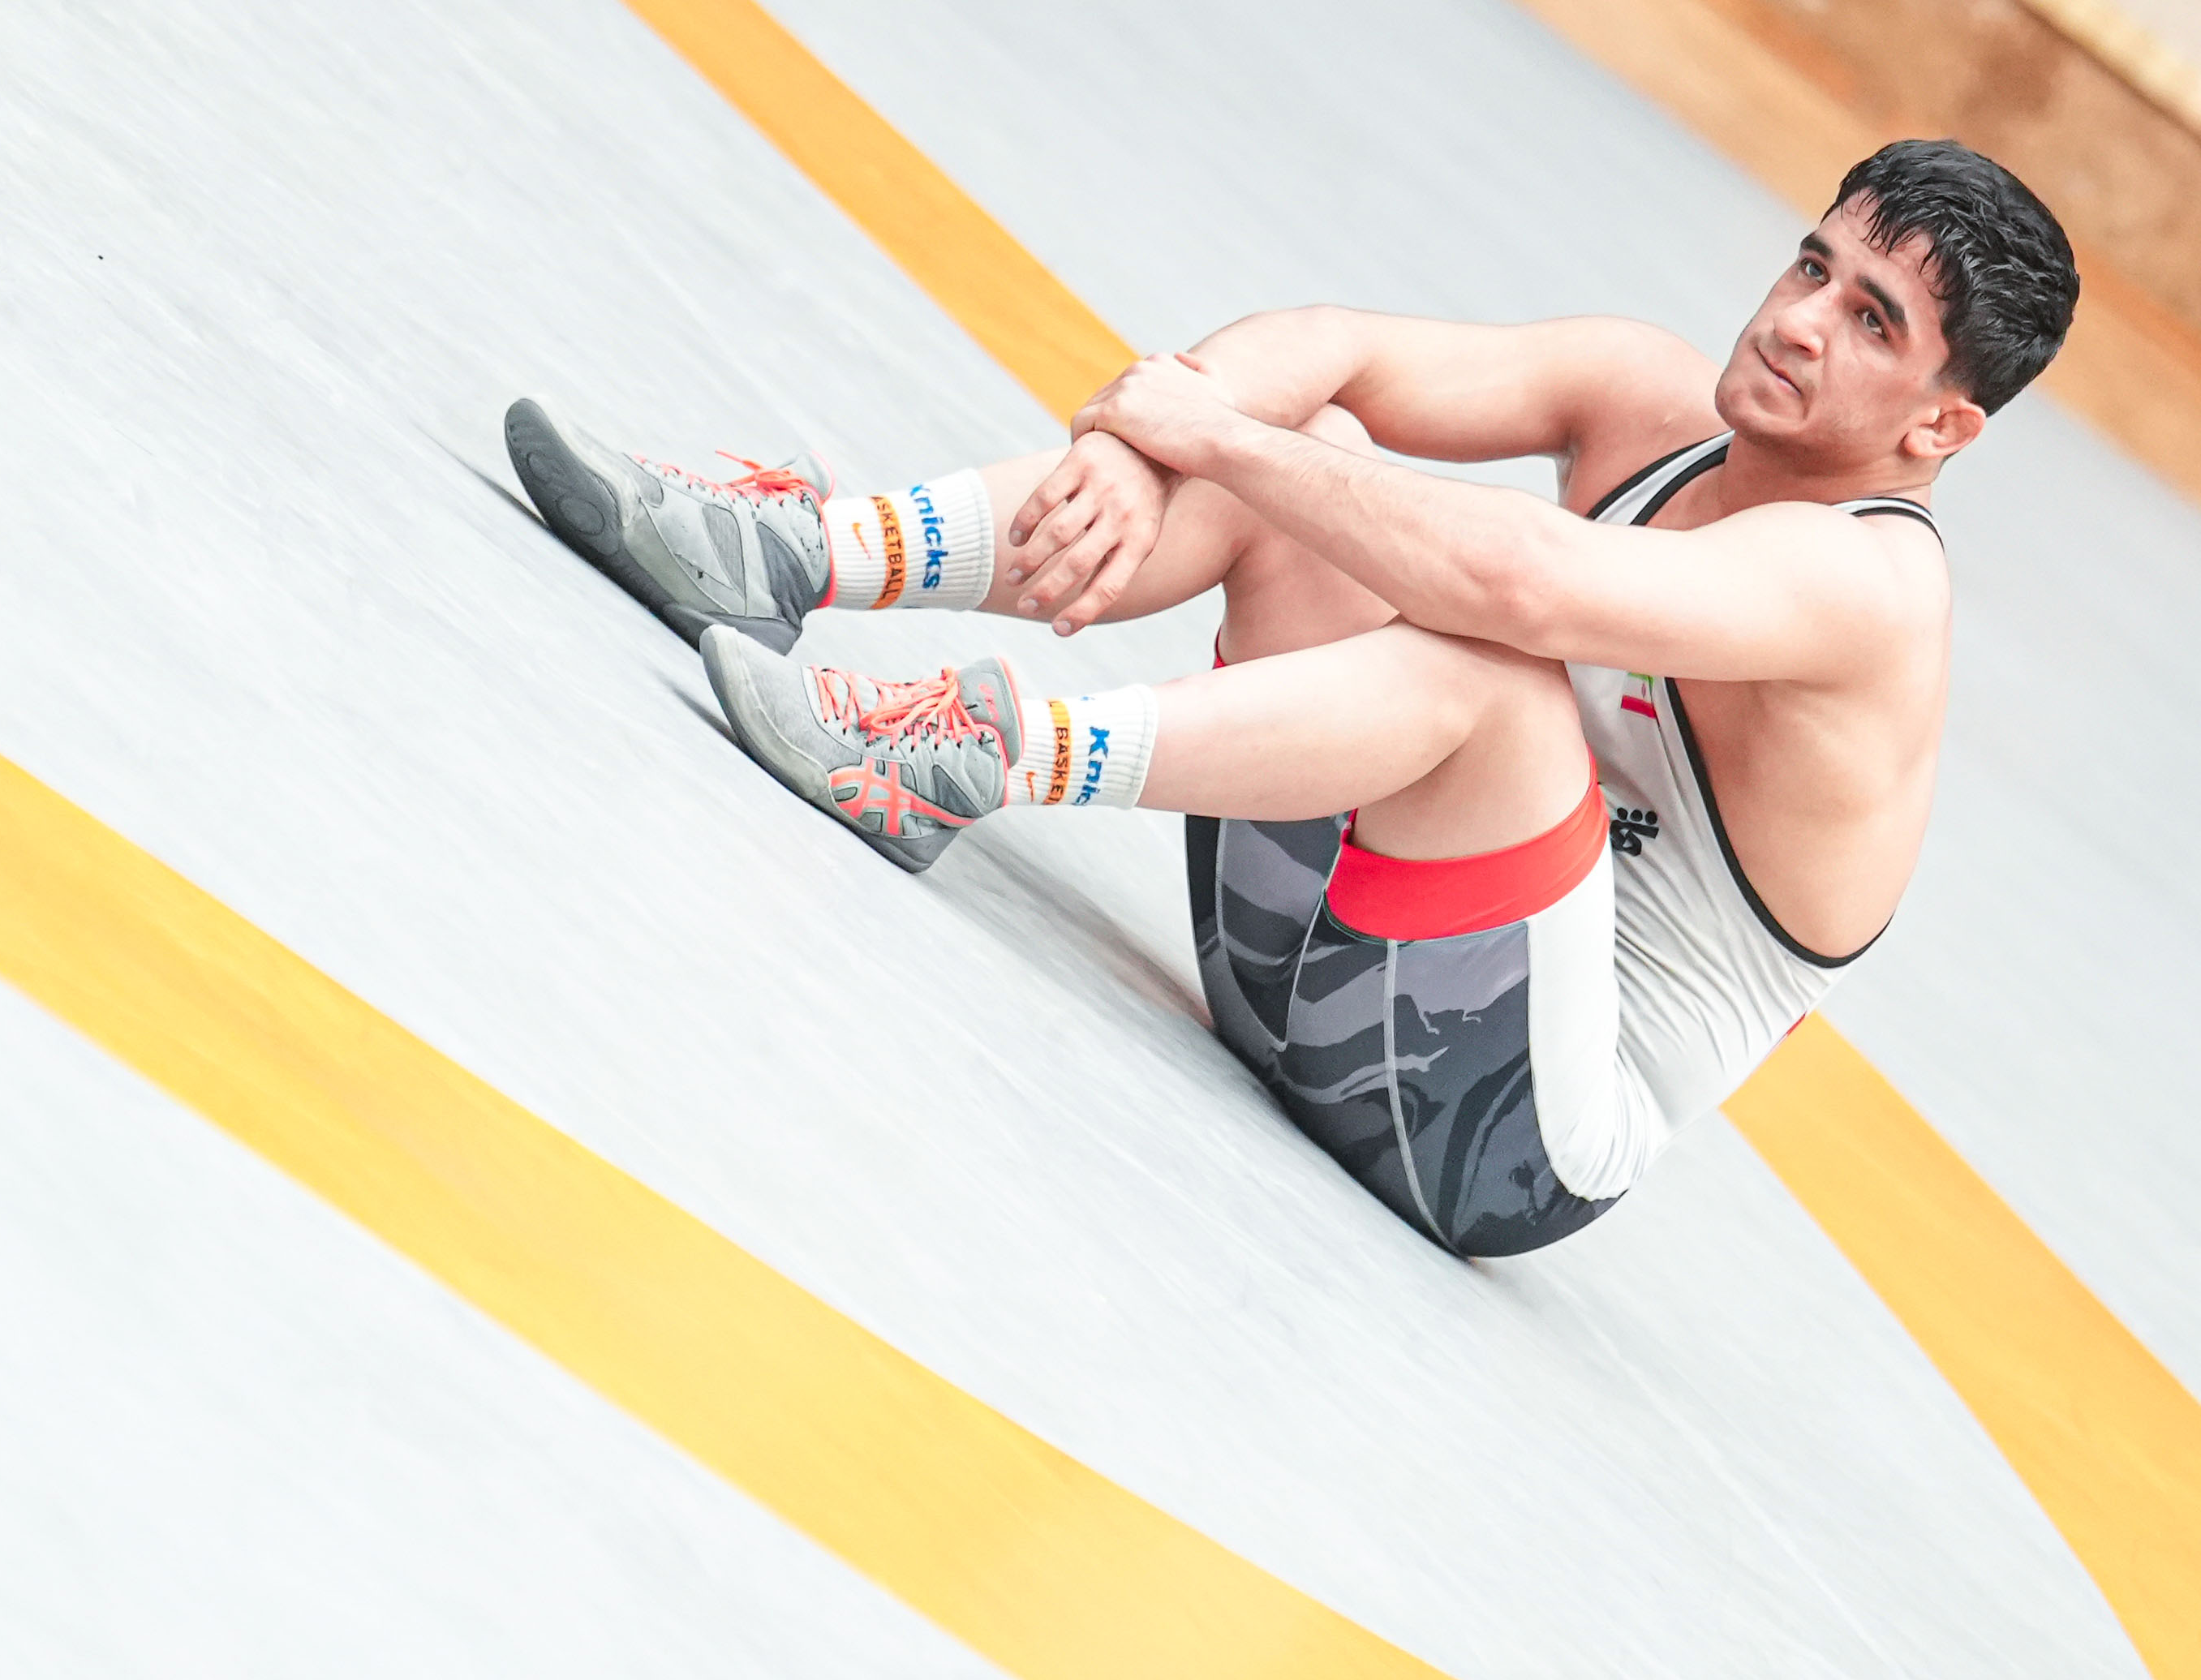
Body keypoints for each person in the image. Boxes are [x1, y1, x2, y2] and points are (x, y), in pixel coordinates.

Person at [504, 140, 2077, 1258]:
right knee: (1313, 446)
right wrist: (1152, 445)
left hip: (1489, 1141)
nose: (1797, 319)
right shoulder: (1647, 397)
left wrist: (1217, 436)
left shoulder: (1873, 591)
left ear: (1942, 427)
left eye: (1870, 320)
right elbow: (1333, 348)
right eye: (1813, 264)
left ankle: (983, 753)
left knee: (1483, 657)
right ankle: (788, 558)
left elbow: (1521, 584)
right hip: (1294, 958)